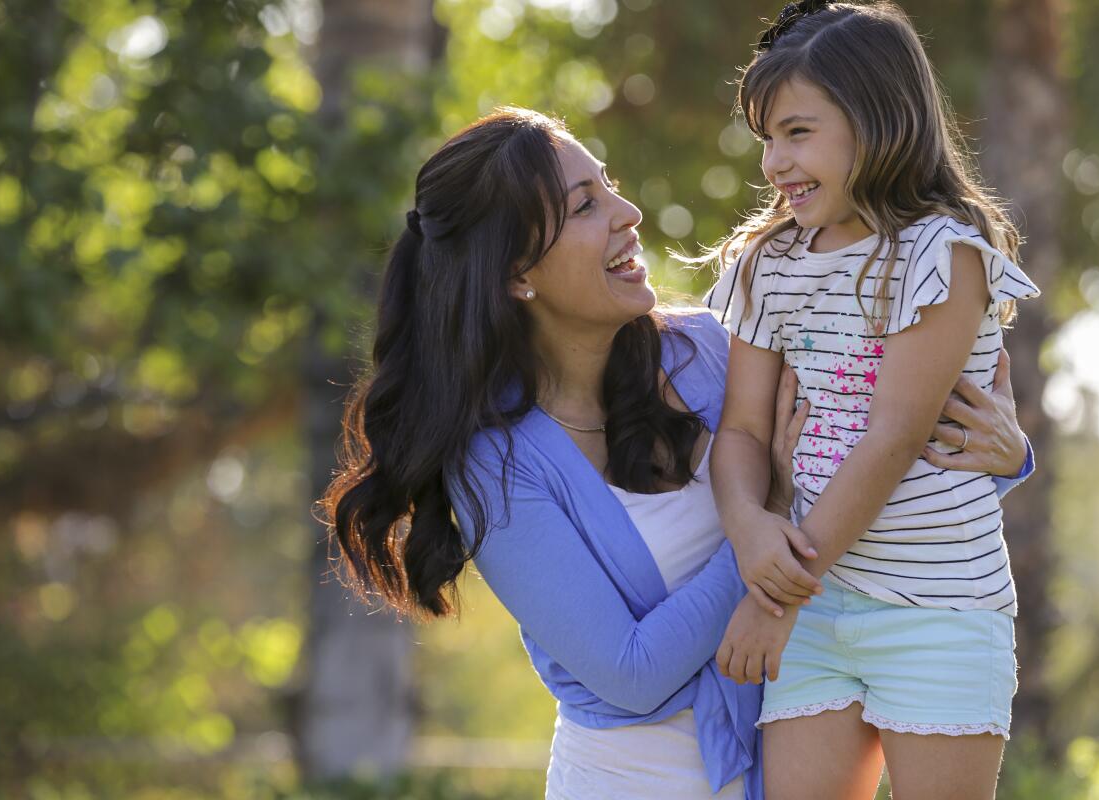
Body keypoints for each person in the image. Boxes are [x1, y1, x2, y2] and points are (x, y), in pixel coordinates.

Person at [319, 106, 1034, 800]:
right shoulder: (494, 468)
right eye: (585, 205)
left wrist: (1003, 458)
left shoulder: (711, 355)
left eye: (610, 184)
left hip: (772, 771)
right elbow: (633, 671)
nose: (627, 213)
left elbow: (878, 477)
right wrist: (769, 535)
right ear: (515, 274)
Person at [705, 2, 1042, 799]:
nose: (774, 163)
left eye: (797, 132)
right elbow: (742, 431)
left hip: (937, 609)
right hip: (816, 614)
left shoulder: (942, 253)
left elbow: (892, 439)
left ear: (877, 124)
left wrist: (773, 593)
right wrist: (751, 530)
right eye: (766, 139)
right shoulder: (768, 262)